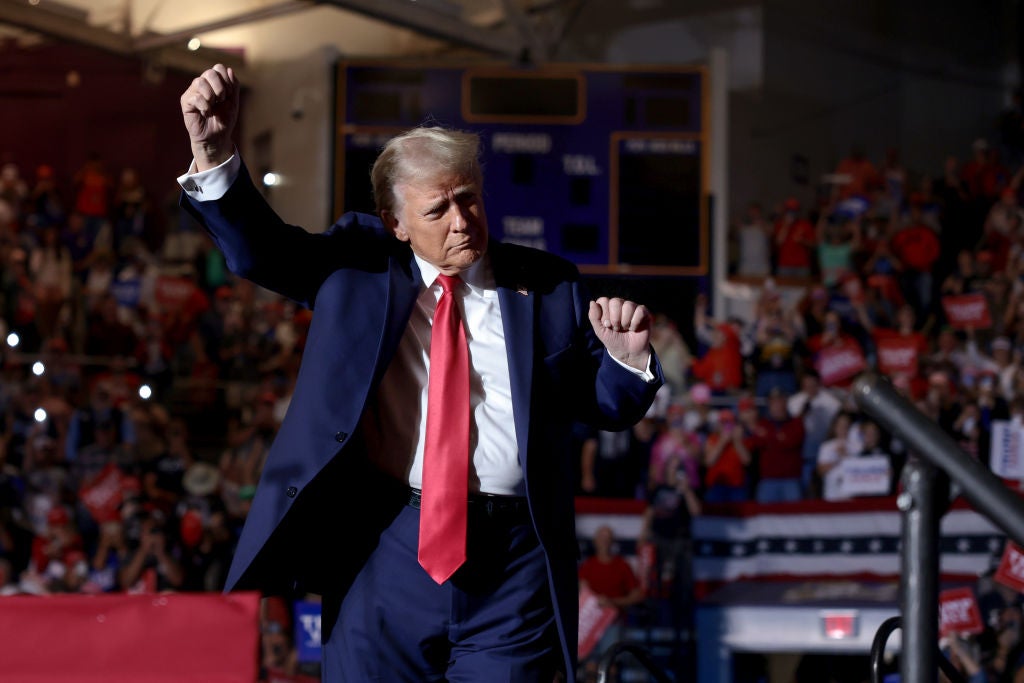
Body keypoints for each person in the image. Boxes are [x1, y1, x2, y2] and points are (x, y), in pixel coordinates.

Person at [177, 64, 663, 682]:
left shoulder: (550, 286)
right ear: (395, 222)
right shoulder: (359, 268)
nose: (461, 221)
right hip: (384, 547)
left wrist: (625, 357)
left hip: (514, 570)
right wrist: (214, 153)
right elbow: (259, 251)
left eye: (469, 199)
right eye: (437, 209)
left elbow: (606, 406)